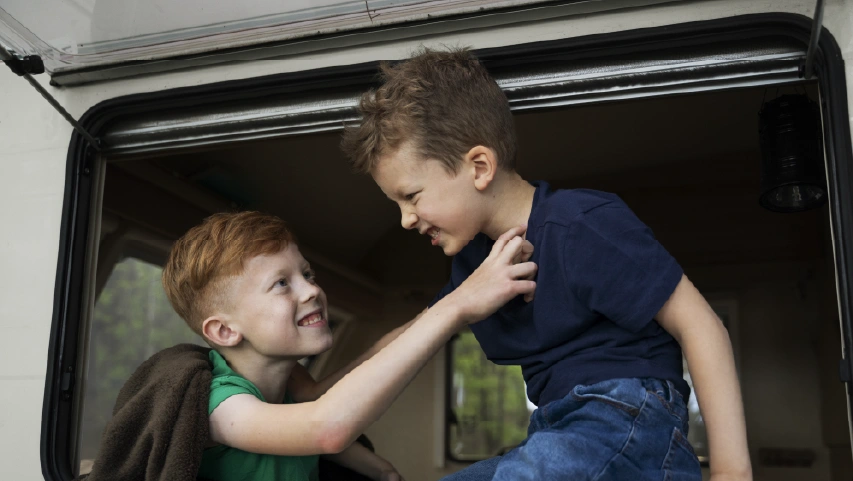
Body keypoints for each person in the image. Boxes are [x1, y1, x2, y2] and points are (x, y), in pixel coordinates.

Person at [341, 47, 751, 481]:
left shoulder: (581, 224)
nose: (405, 219)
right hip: (556, 425)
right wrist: (317, 390)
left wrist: (731, 472)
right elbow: (416, 332)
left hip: (628, 412)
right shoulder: (475, 261)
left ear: (479, 167)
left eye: (412, 196)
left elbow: (701, 324)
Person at [161, 210, 536, 481]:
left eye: (306, 274)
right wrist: (457, 307)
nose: (312, 289)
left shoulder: (290, 382)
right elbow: (324, 428)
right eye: (281, 283)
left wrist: (452, 301)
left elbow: (332, 390)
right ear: (225, 331)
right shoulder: (219, 404)